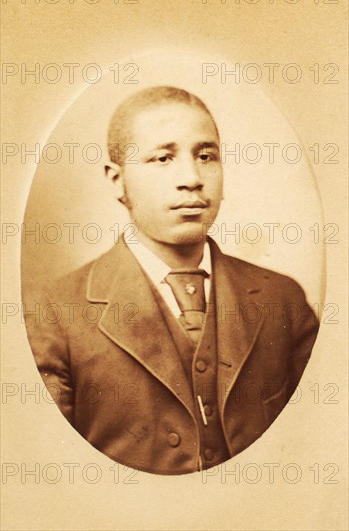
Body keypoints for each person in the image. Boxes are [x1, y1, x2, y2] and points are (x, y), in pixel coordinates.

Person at [24, 86, 319, 475]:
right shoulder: (54, 313)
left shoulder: (283, 299)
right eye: (163, 158)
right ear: (117, 180)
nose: (191, 178)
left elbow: (319, 445)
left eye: (206, 156)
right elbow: (47, 471)